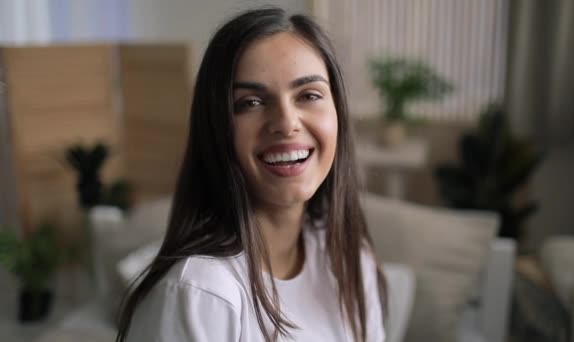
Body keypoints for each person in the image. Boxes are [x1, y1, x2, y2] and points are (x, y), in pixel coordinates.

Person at [116, 6, 387, 342]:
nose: (287, 122)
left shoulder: (350, 260)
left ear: (338, 114)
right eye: (250, 103)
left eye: (309, 95)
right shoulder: (200, 292)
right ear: (216, 128)